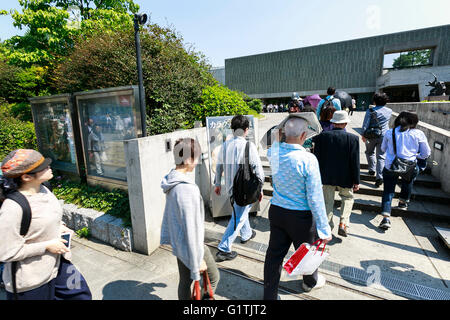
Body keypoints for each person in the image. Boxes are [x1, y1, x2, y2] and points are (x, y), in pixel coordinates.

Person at [0, 149, 92, 300]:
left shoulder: (44, 188)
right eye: (42, 167)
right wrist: (46, 246)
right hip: (31, 281)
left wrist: (60, 226)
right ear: (26, 177)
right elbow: (6, 252)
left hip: (59, 264)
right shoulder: (13, 208)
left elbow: (50, 216)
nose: (49, 167)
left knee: (81, 295)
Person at [264, 118, 332, 299]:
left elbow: (273, 141)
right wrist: (324, 229)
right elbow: (315, 197)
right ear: (304, 135)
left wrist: (280, 130)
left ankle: (269, 295)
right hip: (301, 216)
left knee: (274, 255)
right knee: (306, 253)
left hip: (277, 210)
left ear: (284, 133)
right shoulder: (308, 159)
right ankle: (309, 282)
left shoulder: (273, 152)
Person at [160, 138, 220, 300]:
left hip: (180, 243)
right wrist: (197, 260)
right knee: (213, 278)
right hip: (192, 246)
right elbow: (191, 229)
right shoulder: (186, 189)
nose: (198, 161)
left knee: (185, 282)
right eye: (196, 157)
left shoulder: (172, 180)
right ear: (187, 159)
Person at [214, 115, 265, 261]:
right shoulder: (248, 146)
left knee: (240, 212)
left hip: (231, 188)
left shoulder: (225, 145)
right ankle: (224, 248)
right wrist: (260, 189)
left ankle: (247, 234)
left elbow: (219, 166)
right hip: (245, 189)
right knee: (238, 217)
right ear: (246, 130)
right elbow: (258, 170)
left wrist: (218, 183)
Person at [378, 111, 431, 230]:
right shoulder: (418, 133)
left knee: (388, 190)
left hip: (391, 165)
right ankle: (403, 202)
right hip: (409, 165)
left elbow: (382, 148)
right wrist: (415, 155)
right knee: (408, 180)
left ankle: (386, 217)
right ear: (414, 121)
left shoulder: (389, 132)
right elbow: (426, 153)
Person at [312, 111, 360, 237]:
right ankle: (343, 223)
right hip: (346, 176)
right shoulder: (353, 139)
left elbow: (317, 158)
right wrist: (356, 180)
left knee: (327, 201)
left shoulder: (322, 137)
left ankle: (327, 226)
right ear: (345, 123)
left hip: (327, 176)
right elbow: (355, 161)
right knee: (348, 198)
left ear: (333, 123)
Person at [361, 93, 393, 188]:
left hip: (371, 135)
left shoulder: (370, 110)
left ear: (374, 101)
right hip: (384, 135)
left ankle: (371, 169)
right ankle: (379, 177)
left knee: (369, 152)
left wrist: (363, 134)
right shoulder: (389, 111)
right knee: (381, 156)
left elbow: (365, 124)